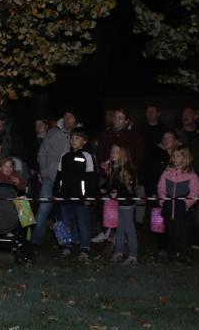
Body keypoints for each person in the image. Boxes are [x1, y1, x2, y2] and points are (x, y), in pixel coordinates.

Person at [32, 109, 79, 252]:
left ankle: (66, 244)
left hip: (68, 181)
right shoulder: (52, 132)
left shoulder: (78, 136)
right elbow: (42, 152)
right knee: (43, 209)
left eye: (70, 117)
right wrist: (45, 171)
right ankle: (35, 242)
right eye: (65, 116)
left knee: (66, 212)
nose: (66, 119)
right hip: (50, 178)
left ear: (76, 120)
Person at [55, 128, 99, 261]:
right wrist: (57, 193)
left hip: (82, 197)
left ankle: (85, 248)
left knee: (83, 223)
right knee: (67, 223)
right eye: (72, 138)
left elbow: (92, 178)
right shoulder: (65, 156)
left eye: (77, 138)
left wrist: (89, 196)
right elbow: (59, 177)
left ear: (84, 142)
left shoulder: (88, 156)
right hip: (66, 196)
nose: (73, 141)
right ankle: (67, 247)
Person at [158, 147, 199, 262]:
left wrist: (187, 203)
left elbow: (195, 191)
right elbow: (161, 187)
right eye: (174, 156)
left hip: (182, 208)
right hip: (168, 206)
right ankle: (171, 253)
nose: (175, 158)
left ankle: (183, 254)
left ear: (185, 158)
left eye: (178, 156)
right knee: (171, 231)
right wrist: (162, 200)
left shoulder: (191, 175)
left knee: (182, 231)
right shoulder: (167, 173)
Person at [101, 144, 138, 265]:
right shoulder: (113, 168)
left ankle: (133, 254)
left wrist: (118, 193)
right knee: (119, 229)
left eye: (116, 151)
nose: (113, 153)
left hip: (126, 204)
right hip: (117, 204)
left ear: (123, 155)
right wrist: (104, 189)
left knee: (129, 229)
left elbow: (130, 188)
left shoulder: (127, 170)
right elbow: (111, 184)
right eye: (112, 151)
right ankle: (119, 251)